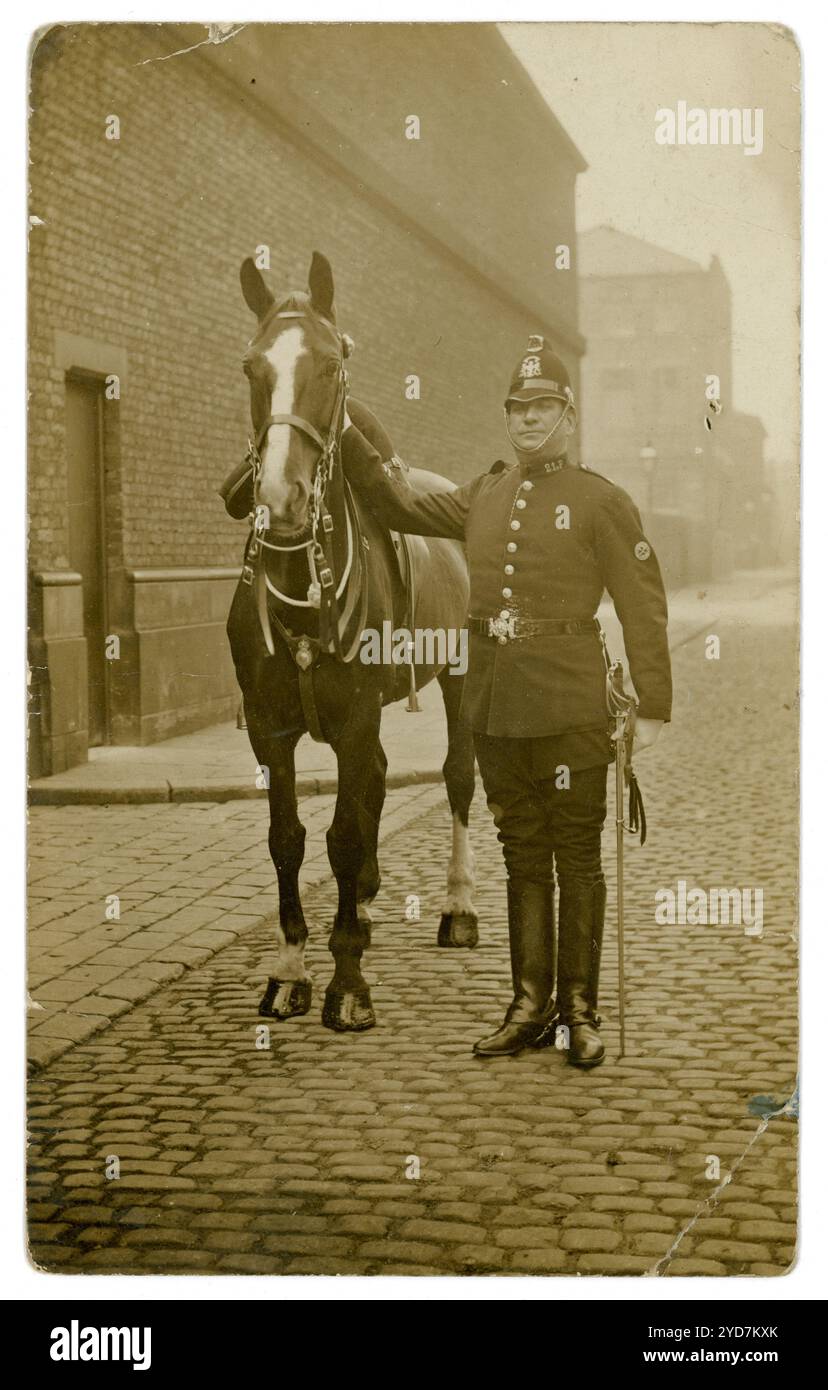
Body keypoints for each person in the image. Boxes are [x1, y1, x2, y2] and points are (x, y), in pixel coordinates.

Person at [344, 339, 672, 1065]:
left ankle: (579, 1013)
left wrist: (650, 705)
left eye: (542, 407)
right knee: (523, 855)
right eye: (517, 409)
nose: (528, 420)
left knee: (577, 858)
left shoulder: (600, 500)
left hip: (572, 703)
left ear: (568, 415)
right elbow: (392, 499)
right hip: (496, 707)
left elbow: (643, 605)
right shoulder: (483, 494)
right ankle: (529, 1006)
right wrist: (338, 416)